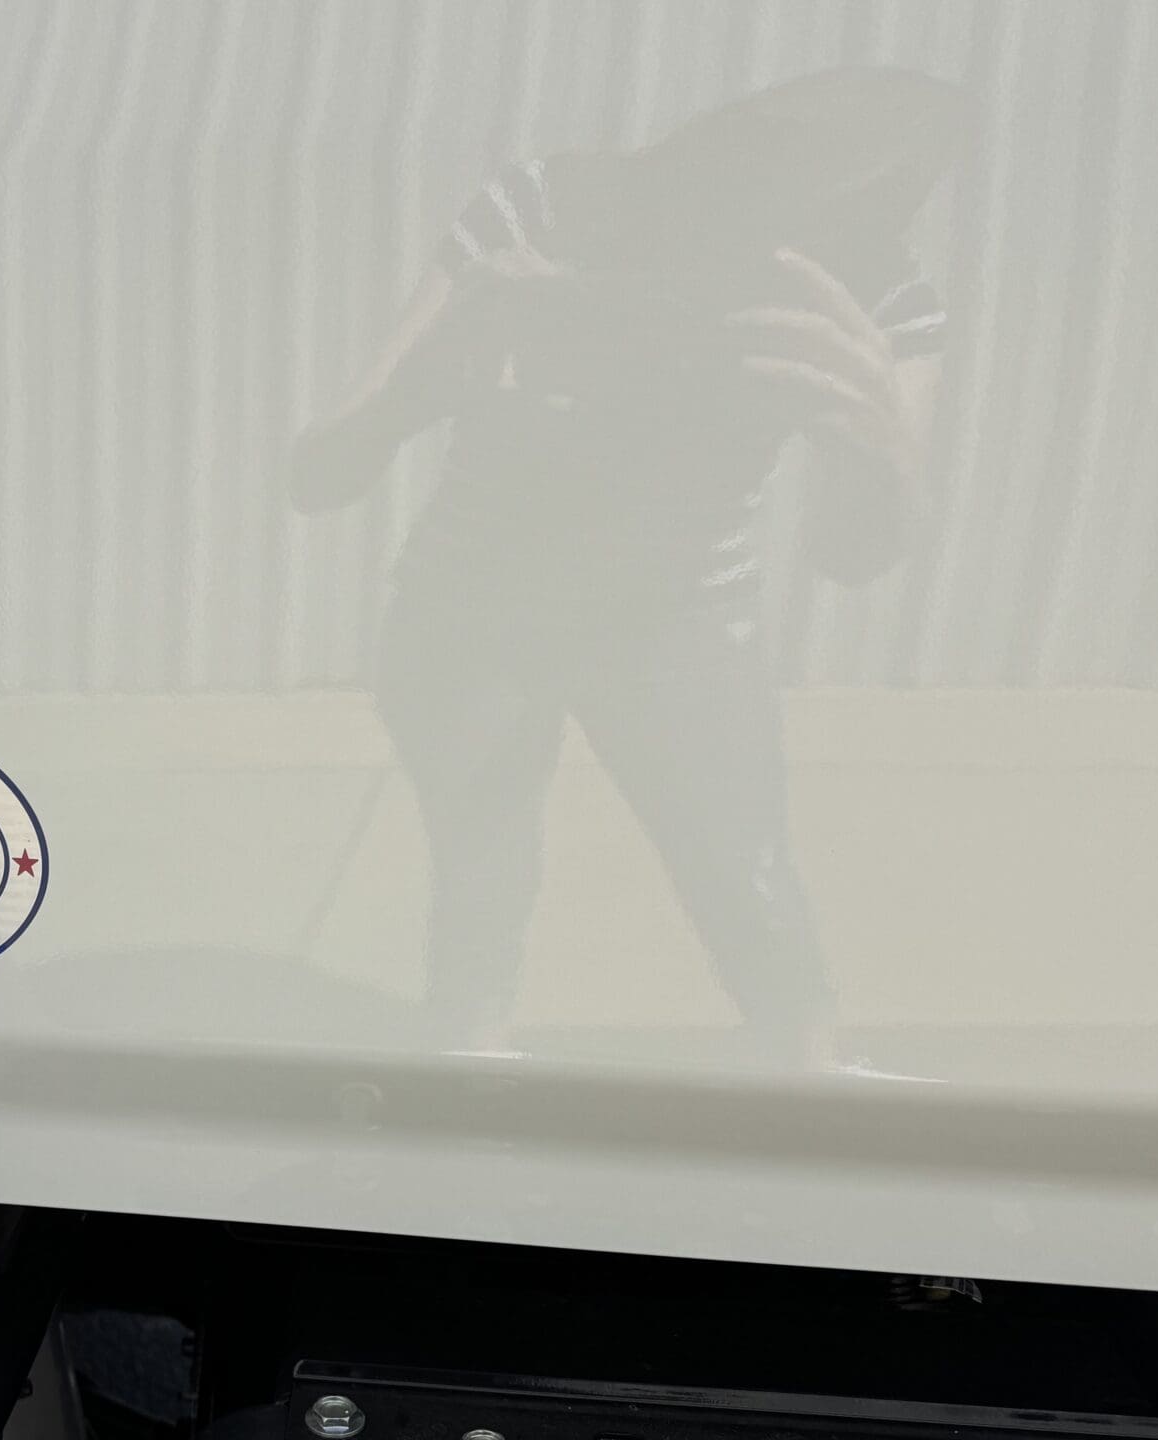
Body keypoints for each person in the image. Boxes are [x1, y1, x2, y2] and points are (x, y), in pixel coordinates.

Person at [289, 68, 967, 1057]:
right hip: (473, 608)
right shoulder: (547, 211)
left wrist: (884, 458)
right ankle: (470, 1067)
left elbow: (851, 559)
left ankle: (810, 1086)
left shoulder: (872, 300)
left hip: (678, 622)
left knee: (748, 885)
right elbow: (318, 478)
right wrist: (429, 378)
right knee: (480, 882)